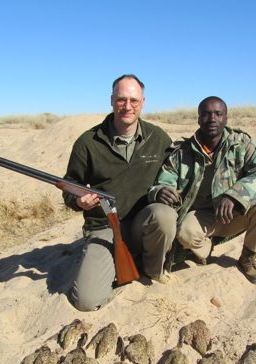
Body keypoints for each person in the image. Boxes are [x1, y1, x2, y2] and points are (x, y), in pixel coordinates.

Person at [62, 74, 173, 311]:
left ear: (143, 102)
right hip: (103, 227)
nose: (128, 106)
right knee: (86, 301)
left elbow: (172, 176)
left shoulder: (159, 138)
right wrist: (79, 201)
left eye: (134, 100)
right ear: (112, 101)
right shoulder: (87, 142)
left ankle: (153, 269)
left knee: (164, 215)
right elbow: (70, 185)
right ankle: (124, 266)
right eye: (122, 99)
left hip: (142, 225)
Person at [145, 96, 256, 283]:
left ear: (226, 118)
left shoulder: (242, 144)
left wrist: (235, 195)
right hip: (200, 216)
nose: (212, 119)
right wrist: (160, 191)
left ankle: (248, 257)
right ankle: (207, 247)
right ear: (198, 119)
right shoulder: (182, 152)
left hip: (232, 212)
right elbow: (163, 181)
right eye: (206, 114)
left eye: (218, 114)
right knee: (186, 233)